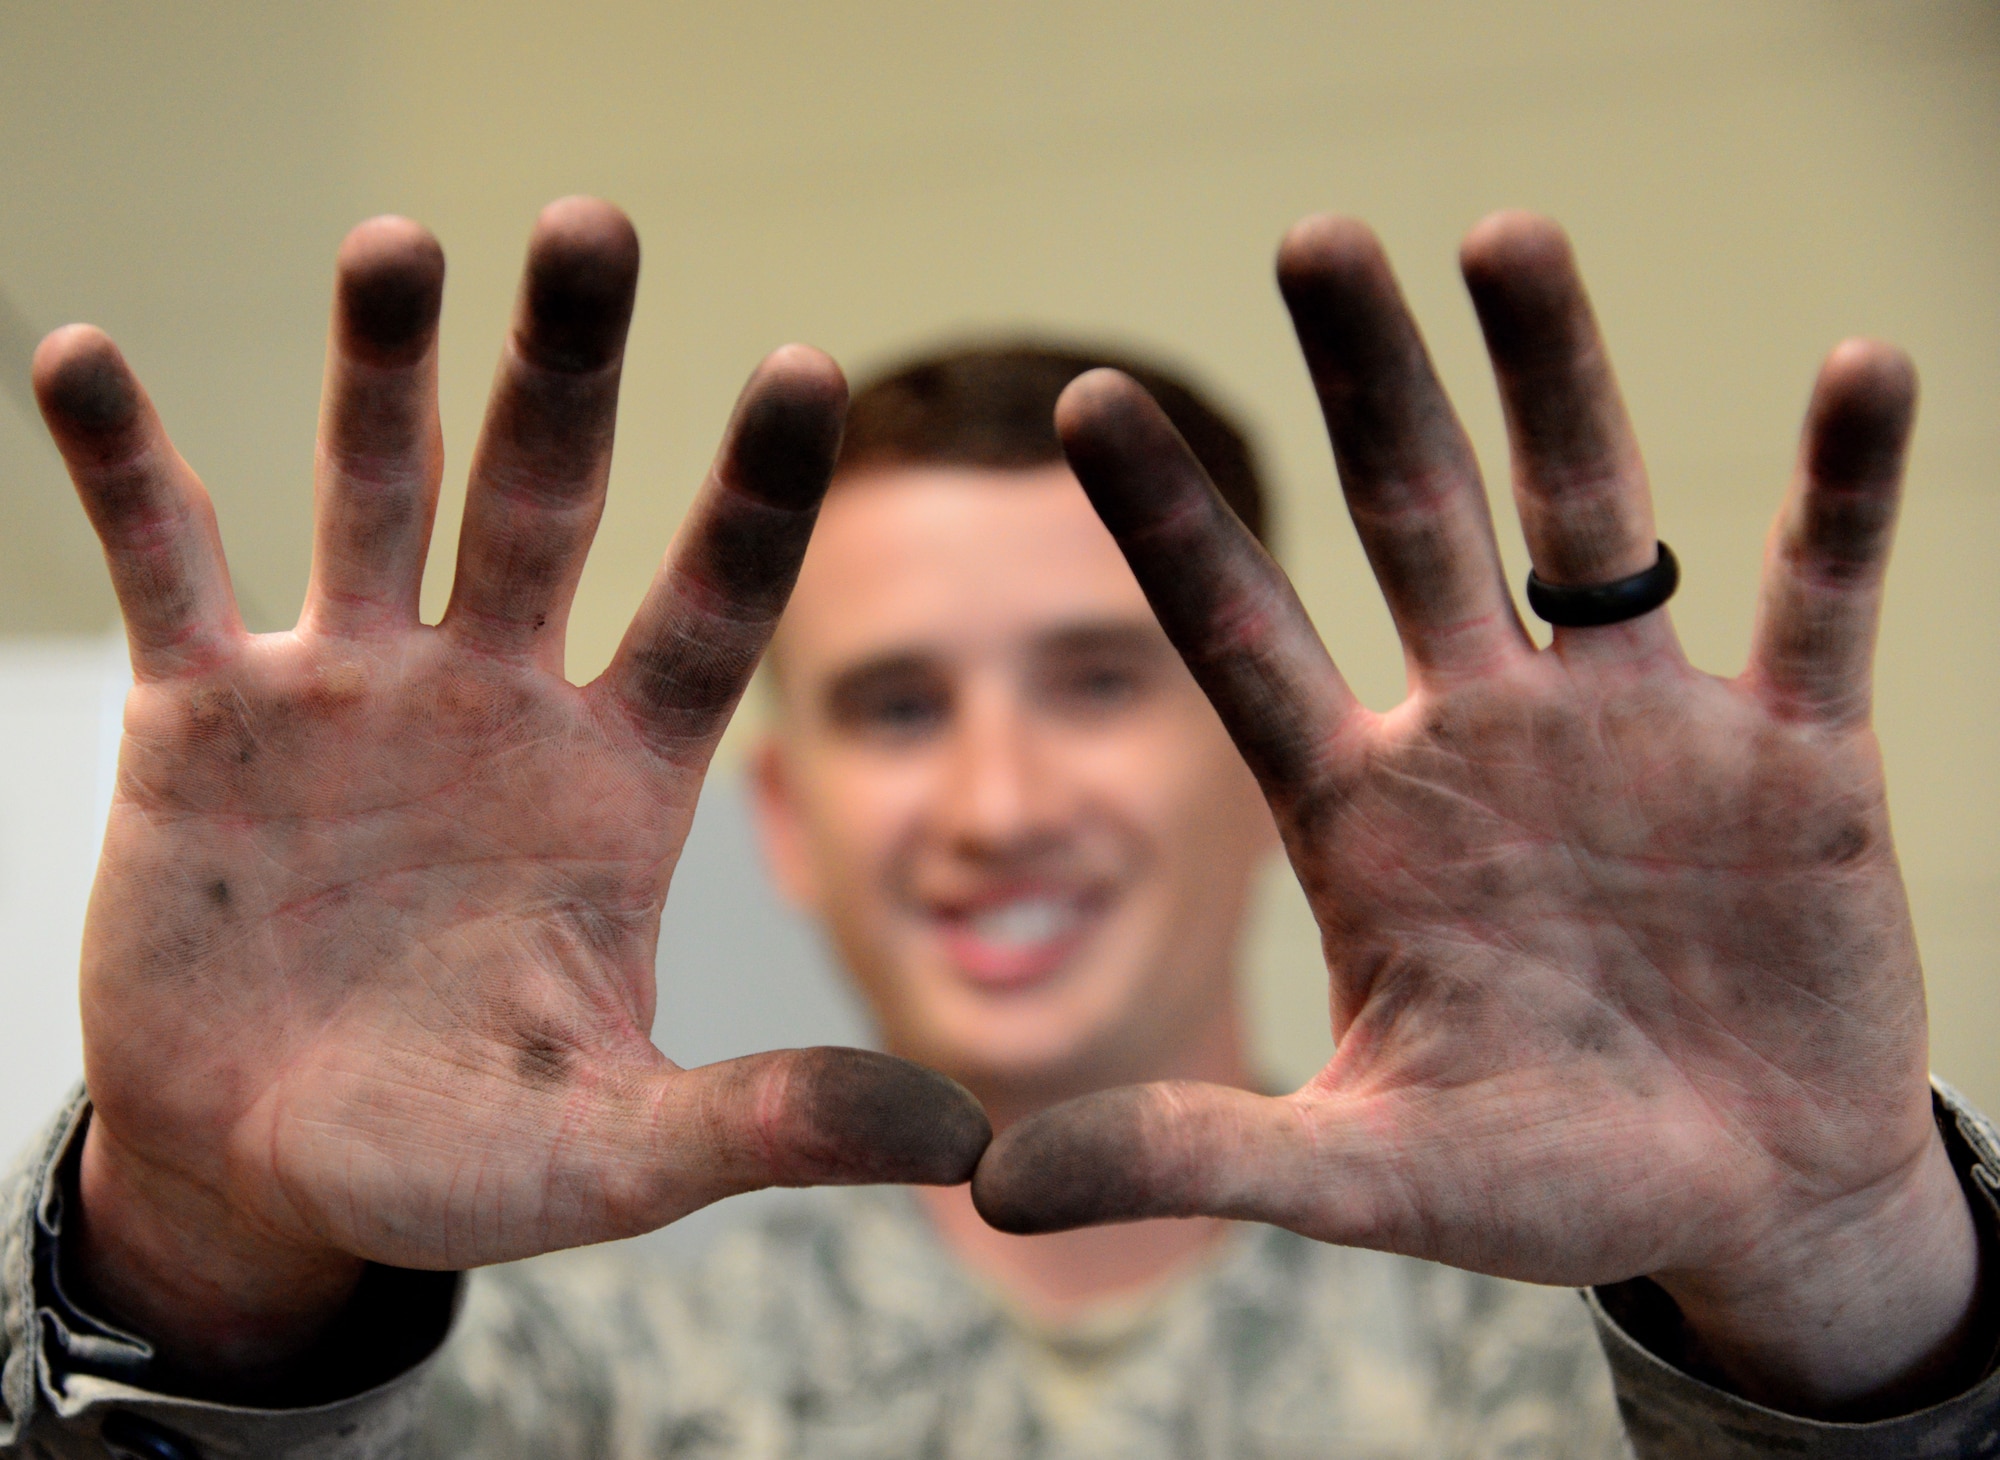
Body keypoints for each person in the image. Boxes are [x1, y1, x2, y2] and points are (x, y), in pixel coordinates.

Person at [2, 196, 1998, 1458]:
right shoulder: (548, 1370)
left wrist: (1835, 1278)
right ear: (779, 815)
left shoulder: (1589, 1340)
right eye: (893, 707)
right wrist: (208, 1268)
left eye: (1098, 681)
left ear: (1276, 758)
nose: (994, 803)